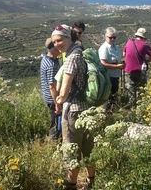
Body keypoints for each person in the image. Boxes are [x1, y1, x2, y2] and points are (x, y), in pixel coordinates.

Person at [52, 24, 95, 190]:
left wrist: (57, 101)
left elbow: (63, 93)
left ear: (68, 38)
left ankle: (71, 186)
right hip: (88, 109)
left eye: (60, 40)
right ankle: (91, 182)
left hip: (74, 113)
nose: (57, 44)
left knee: (72, 151)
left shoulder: (70, 59)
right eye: (55, 41)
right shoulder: (80, 51)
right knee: (89, 149)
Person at [123, 27, 151, 107]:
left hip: (128, 70)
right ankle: (139, 107)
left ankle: (132, 107)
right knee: (140, 90)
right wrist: (146, 61)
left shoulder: (129, 42)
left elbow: (124, 54)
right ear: (144, 37)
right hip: (139, 71)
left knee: (131, 89)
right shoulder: (145, 45)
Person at [98, 27, 125, 111]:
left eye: (114, 37)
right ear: (106, 37)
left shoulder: (115, 47)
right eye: (110, 37)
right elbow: (103, 63)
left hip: (115, 75)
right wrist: (118, 66)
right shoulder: (104, 48)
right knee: (109, 97)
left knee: (114, 96)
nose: (112, 39)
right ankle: (107, 114)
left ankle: (111, 113)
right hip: (108, 76)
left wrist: (121, 63)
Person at [40, 38, 62, 141]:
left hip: (49, 97)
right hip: (53, 99)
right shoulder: (51, 65)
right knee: (56, 123)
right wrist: (57, 103)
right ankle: (53, 143)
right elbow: (52, 86)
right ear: (54, 48)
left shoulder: (47, 58)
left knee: (56, 122)